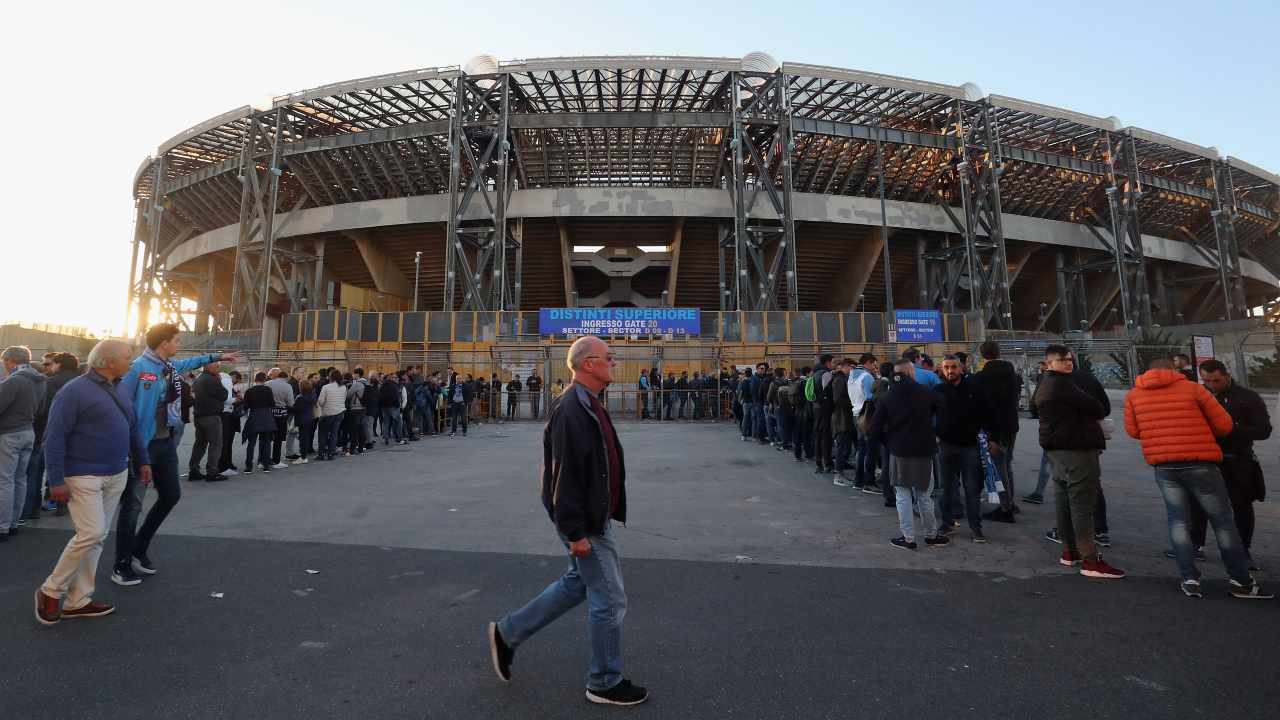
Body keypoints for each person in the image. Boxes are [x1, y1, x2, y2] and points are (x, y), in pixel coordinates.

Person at [488, 335, 647, 706]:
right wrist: (574, 532)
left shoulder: (588, 403)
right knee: (608, 598)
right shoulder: (572, 409)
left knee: (579, 583)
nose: (614, 362)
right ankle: (603, 681)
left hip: (594, 516)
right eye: (608, 357)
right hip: (585, 521)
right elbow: (564, 475)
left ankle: (508, 634)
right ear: (588, 364)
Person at [1124, 358, 1269, 599]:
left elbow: (1133, 430)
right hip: (1200, 462)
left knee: (1178, 521)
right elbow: (1223, 425)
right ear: (1175, 369)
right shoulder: (1194, 389)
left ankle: (1189, 578)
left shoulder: (1134, 395)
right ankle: (1240, 581)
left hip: (1164, 465)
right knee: (1223, 521)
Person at [112, 325, 238, 586]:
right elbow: (119, 404)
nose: (179, 344)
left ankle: (138, 547)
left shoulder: (168, 367)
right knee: (133, 504)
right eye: (176, 340)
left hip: (165, 441)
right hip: (142, 445)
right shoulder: (138, 368)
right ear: (163, 343)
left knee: (171, 495)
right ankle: (121, 563)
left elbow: (190, 362)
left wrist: (217, 357)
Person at [34, 340, 150, 624]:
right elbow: (54, 437)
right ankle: (50, 590)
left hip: (117, 473)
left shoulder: (120, 386)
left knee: (97, 538)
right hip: (83, 475)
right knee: (91, 533)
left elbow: (131, 426)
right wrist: (56, 480)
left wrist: (143, 460)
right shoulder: (73, 392)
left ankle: (78, 600)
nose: (131, 361)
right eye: (127, 357)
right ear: (108, 362)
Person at [1033, 345, 1121, 579]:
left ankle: (1070, 551)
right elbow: (1099, 407)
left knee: (1063, 499)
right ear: (1049, 363)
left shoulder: (1045, 383)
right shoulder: (1063, 384)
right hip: (1076, 449)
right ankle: (1090, 560)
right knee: (1082, 503)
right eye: (1062, 360)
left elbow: (1033, 408)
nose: (1068, 363)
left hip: (1056, 449)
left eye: (1070, 359)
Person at [1191, 360, 1269, 569]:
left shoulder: (1246, 397)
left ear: (1227, 375)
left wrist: (1231, 430)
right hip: (1206, 458)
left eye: (1216, 380)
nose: (1212, 385)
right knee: (1199, 504)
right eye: (1207, 381)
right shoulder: (1199, 395)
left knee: (1241, 506)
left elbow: (1263, 430)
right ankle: (1195, 544)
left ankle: (1243, 549)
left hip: (1237, 458)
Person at [869, 359, 948, 550]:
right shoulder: (927, 393)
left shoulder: (887, 397)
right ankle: (931, 535)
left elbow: (875, 428)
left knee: (902, 495)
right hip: (924, 450)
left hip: (899, 451)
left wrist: (889, 442)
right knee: (924, 496)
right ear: (911, 373)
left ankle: (908, 538)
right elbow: (943, 408)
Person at [934, 355, 994, 543]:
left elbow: (988, 414)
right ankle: (947, 523)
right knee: (946, 488)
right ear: (942, 369)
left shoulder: (975, 390)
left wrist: (992, 439)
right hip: (945, 446)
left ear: (961, 368)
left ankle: (976, 528)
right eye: (946, 367)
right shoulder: (938, 390)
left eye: (953, 367)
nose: (950, 371)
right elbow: (928, 414)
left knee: (972, 489)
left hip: (970, 447)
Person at [971, 341, 1023, 520]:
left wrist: (990, 434)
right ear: (999, 352)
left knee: (998, 468)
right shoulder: (1013, 375)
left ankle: (1005, 508)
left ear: (983, 355)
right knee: (1006, 464)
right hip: (1011, 426)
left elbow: (984, 407)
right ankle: (1010, 502)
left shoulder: (981, 378)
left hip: (993, 429)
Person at [27, 352, 80, 520]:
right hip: (77, 433)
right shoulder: (83, 382)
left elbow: (41, 409)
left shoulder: (49, 382)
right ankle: (63, 504)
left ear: (59, 365)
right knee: (67, 470)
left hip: (47, 431)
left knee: (38, 471)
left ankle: (34, 508)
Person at [0, 346, 47, 539]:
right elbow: (41, 409)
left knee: (5, 481)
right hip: (29, 431)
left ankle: (2, 526)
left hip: (9, 434)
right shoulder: (41, 380)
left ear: (11, 360)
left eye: (5, 362)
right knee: (21, 479)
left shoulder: (14, 381)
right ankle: (13, 523)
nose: (4, 366)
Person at [188, 360, 227, 482]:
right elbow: (224, 395)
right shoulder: (212, 379)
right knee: (215, 444)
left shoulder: (199, 379)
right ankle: (212, 472)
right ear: (209, 367)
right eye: (216, 366)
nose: (218, 368)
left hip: (199, 415)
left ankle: (194, 470)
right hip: (211, 416)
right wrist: (220, 381)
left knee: (200, 443)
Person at [848, 353, 879, 493]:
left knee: (861, 450)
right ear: (867, 362)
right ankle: (869, 482)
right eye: (873, 364)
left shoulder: (851, 375)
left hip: (856, 414)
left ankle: (858, 481)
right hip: (867, 416)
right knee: (870, 450)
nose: (874, 367)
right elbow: (871, 397)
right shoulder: (866, 377)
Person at [240, 373, 277, 474]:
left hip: (254, 418)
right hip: (266, 417)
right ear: (264, 380)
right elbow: (272, 404)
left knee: (251, 443)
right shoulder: (268, 390)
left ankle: (248, 467)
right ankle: (266, 466)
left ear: (255, 380)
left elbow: (245, 406)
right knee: (266, 443)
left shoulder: (249, 391)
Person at [831, 359, 855, 487]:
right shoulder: (840, 380)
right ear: (843, 367)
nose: (852, 370)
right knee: (842, 447)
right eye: (851, 367)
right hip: (841, 419)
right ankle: (838, 475)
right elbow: (838, 399)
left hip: (841, 418)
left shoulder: (838, 379)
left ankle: (839, 473)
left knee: (844, 447)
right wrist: (852, 403)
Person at [811, 355, 835, 473]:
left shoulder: (814, 374)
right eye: (832, 362)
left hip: (815, 407)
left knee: (818, 436)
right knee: (826, 436)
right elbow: (827, 393)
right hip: (825, 408)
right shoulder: (826, 374)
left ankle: (818, 463)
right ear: (827, 362)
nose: (833, 365)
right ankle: (827, 463)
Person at [316, 370, 347, 461]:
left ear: (330, 377)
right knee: (334, 433)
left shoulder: (326, 387)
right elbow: (344, 399)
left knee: (323, 434)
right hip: (340, 412)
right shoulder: (343, 387)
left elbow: (321, 402)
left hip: (327, 413)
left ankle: (321, 454)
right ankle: (331, 454)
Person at [218, 370, 242, 476]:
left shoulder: (227, 384)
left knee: (228, 442)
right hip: (226, 416)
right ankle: (223, 466)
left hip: (228, 417)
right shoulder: (226, 382)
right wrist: (238, 399)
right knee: (225, 442)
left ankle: (227, 463)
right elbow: (227, 401)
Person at [448, 373, 470, 437]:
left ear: (462, 379)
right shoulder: (453, 385)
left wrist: (465, 402)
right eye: (457, 378)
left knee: (463, 418)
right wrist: (449, 403)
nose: (458, 380)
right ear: (455, 379)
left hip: (462, 403)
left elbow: (469, 394)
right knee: (454, 418)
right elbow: (449, 395)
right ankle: (453, 431)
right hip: (454, 403)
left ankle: (464, 431)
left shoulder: (465, 386)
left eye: (460, 378)